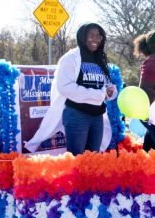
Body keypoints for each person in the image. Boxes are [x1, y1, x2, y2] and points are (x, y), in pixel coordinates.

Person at [25, 23, 116, 155]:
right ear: (83, 37)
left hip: (97, 116)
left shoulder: (99, 58)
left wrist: (110, 91)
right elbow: (65, 87)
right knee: (76, 157)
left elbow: (104, 85)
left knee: (94, 157)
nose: (95, 39)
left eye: (99, 36)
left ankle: (88, 177)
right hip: (77, 114)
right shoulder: (71, 58)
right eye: (91, 35)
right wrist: (99, 94)